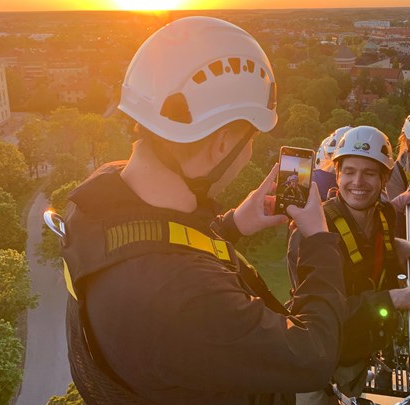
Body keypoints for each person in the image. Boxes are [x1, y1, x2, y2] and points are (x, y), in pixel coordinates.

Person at [58, 17, 349, 405]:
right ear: (222, 142)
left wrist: (232, 225)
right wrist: (317, 239)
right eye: (249, 140)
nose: (247, 156)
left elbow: (154, 242)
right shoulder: (188, 301)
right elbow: (312, 355)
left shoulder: (99, 199)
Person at [287, 126, 410, 404]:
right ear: (337, 174)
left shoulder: (384, 214)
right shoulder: (313, 232)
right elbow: (318, 314)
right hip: (317, 364)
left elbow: (368, 261)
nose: (358, 182)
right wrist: (391, 299)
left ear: (384, 178)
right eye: (349, 171)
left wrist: (395, 246)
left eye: (369, 173)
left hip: (356, 356)